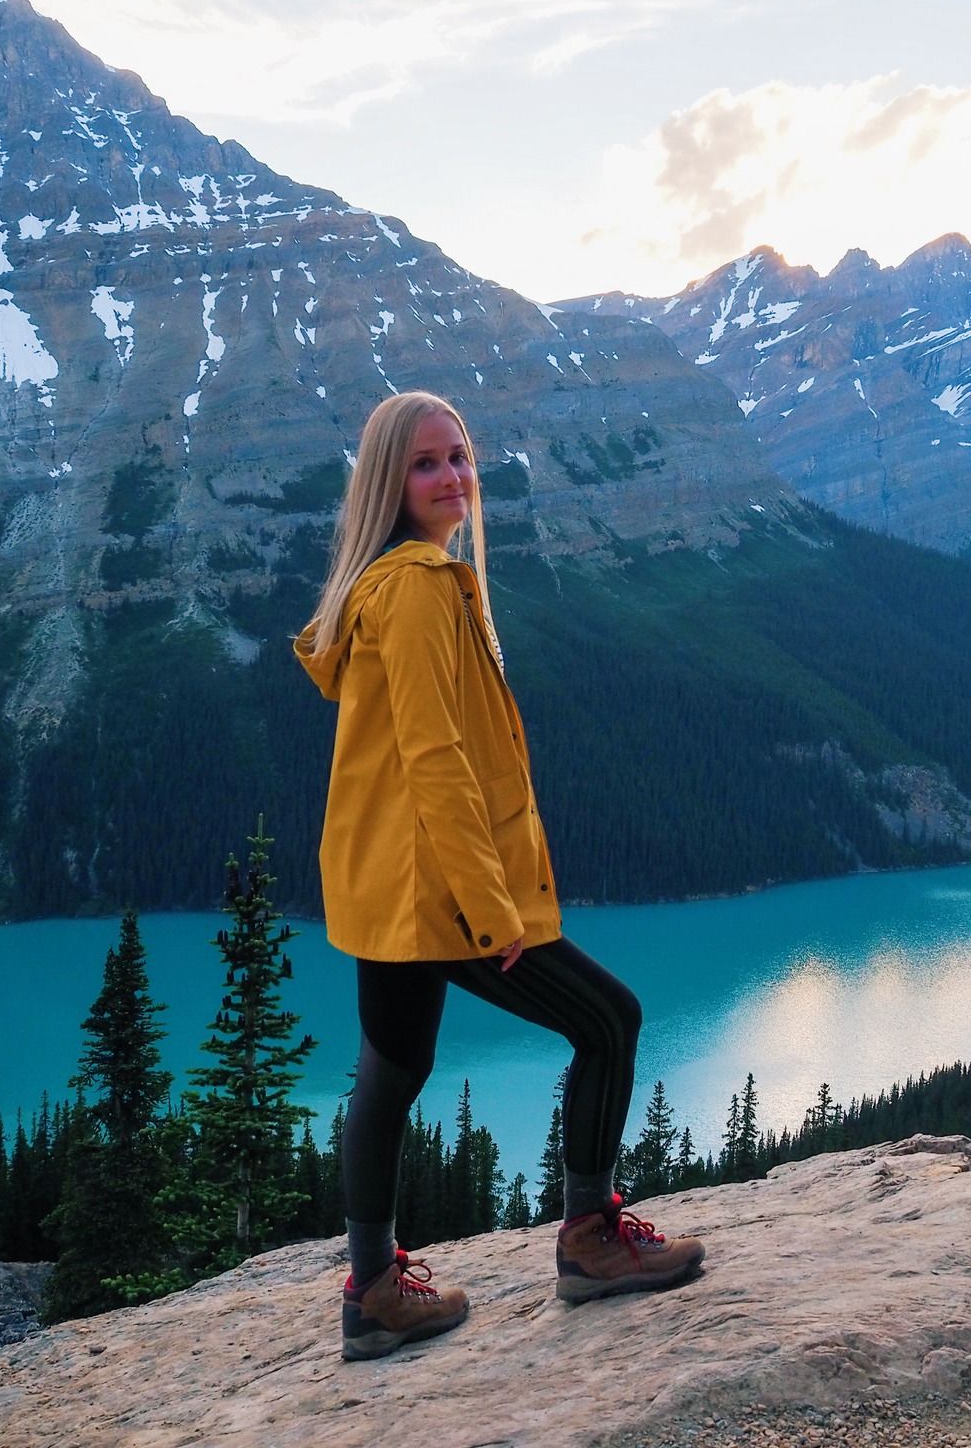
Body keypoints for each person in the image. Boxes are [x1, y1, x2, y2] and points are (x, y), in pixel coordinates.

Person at [293, 390, 706, 1362]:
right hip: (438, 888)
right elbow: (435, 757)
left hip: (380, 879)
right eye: (427, 464)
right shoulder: (420, 589)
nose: (452, 478)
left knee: (388, 1074)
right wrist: (490, 907)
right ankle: (591, 1238)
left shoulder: (389, 585)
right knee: (608, 1020)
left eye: (461, 457)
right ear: (389, 485)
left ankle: (372, 1291)